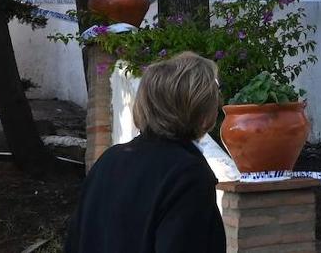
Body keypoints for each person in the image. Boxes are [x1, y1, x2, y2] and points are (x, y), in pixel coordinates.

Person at [66, 51, 226, 253]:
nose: (218, 102)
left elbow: (76, 241)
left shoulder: (110, 159)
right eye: (214, 95)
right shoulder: (188, 173)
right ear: (199, 108)